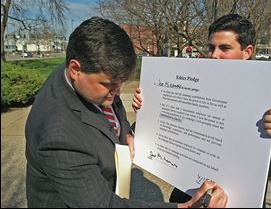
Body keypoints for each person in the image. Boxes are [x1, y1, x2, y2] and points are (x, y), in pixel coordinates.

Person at [25, 17, 227, 208]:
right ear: (75, 69)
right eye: (109, 85)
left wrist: (125, 132)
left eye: (121, 84)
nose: (116, 93)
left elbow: (113, 102)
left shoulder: (85, 70)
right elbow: (102, 205)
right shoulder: (59, 136)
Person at [132, 14, 271, 206]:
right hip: (188, 196)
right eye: (211, 47)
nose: (214, 55)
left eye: (224, 48)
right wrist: (146, 110)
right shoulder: (198, 87)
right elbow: (174, 129)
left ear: (247, 51)